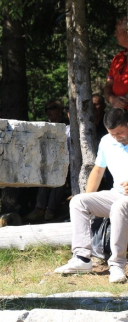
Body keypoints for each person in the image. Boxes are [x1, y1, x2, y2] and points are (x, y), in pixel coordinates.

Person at [54, 108, 128, 283]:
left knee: (119, 207)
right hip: (117, 194)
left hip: (123, 203)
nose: (117, 137)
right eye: (113, 134)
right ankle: (82, 258)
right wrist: (89, 199)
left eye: (120, 132)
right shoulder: (106, 141)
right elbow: (97, 170)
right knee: (79, 201)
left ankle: (117, 265)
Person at [26, 99, 70, 221]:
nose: (49, 111)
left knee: (59, 177)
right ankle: (39, 208)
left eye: (53, 108)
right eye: (47, 109)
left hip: (64, 162)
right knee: (43, 176)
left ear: (61, 110)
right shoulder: (45, 127)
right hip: (47, 161)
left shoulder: (67, 126)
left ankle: (50, 209)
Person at [104, 17, 128, 110]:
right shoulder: (117, 58)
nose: (115, 34)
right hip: (120, 114)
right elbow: (108, 85)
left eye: (117, 31)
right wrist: (112, 99)